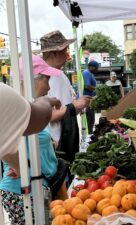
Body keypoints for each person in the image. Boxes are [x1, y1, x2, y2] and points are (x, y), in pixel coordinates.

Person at [0, 55, 65, 225]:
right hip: (23, 191)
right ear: (32, 79)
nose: (49, 86)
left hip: (37, 185)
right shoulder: (18, 107)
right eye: (46, 79)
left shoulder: (23, 107)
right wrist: (18, 166)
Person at [38, 30, 91, 163]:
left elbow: (65, 105)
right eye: (65, 50)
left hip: (67, 138)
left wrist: (79, 105)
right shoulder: (41, 79)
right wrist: (74, 106)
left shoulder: (60, 74)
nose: (67, 54)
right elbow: (47, 116)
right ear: (54, 53)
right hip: (55, 144)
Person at [0, 83, 59, 174]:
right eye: (46, 79)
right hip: (23, 184)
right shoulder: (4, 94)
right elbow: (41, 118)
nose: (48, 87)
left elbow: (5, 141)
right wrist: (45, 100)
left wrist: (19, 168)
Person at [83, 60, 99, 134]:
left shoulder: (89, 74)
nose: (97, 69)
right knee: (89, 120)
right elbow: (86, 86)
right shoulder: (86, 73)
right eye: (96, 68)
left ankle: (90, 134)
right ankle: (89, 136)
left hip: (89, 100)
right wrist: (98, 90)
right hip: (86, 101)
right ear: (91, 67)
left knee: (91, 119)